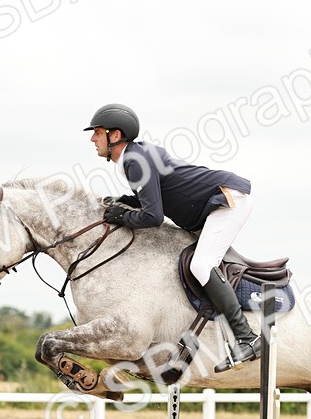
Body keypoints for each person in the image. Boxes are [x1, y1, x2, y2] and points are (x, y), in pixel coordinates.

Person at [84, 103, 260, 371]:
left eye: (97, 133)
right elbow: (151, 198)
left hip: (226, 199)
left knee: (201, 265)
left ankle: (247, 338)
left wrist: (119, 216)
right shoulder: (135, 157)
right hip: (214, 203)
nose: (92, 139)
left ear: (115, 135)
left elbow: (153, 217)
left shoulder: (134, 160)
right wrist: (121, 202)